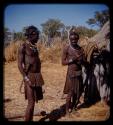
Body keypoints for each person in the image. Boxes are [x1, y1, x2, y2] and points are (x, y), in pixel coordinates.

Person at [18, 25, 44, 121]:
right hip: (29, 76)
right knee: (31, 102)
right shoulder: (23, 47)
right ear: (31, 35)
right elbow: (20, 65)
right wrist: (26, 78)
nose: (38, 37)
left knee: (33, 102)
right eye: (37, 35)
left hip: (37, 76)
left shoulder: (34, 47)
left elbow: (37, 62)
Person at [61, 28, 85, 115]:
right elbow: (63, 62)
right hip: (71, 74)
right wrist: (72, 60)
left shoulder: (81, 49)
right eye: (72, 39)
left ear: (78, 39)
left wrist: (81, 60)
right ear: (70, 39)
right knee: (70, 93)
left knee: (77, 92)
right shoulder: (66, 48)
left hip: (79, 73)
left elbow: (84, 62)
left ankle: (74, 108)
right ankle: (67, 111)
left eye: (75, 39)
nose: (74, 40)